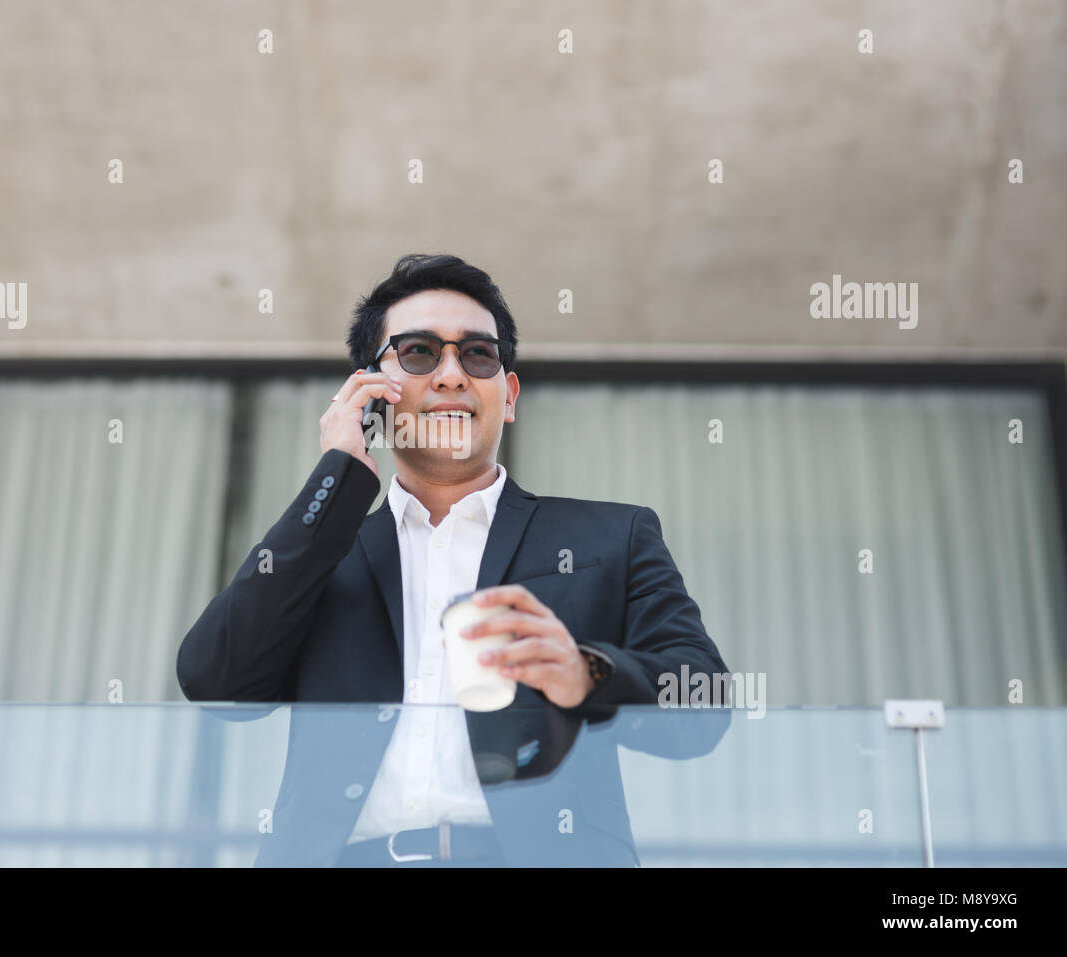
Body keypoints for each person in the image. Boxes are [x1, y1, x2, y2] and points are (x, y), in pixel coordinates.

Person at [178, 253, 730, 866]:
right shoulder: (320, 554)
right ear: (371, 394)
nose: (450, 375)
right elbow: (216, 680)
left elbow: (704, 703)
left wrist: (588, 674)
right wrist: (335, 479)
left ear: (509, 394)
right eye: (417, 352)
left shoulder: (613, 535)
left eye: (477, 354)